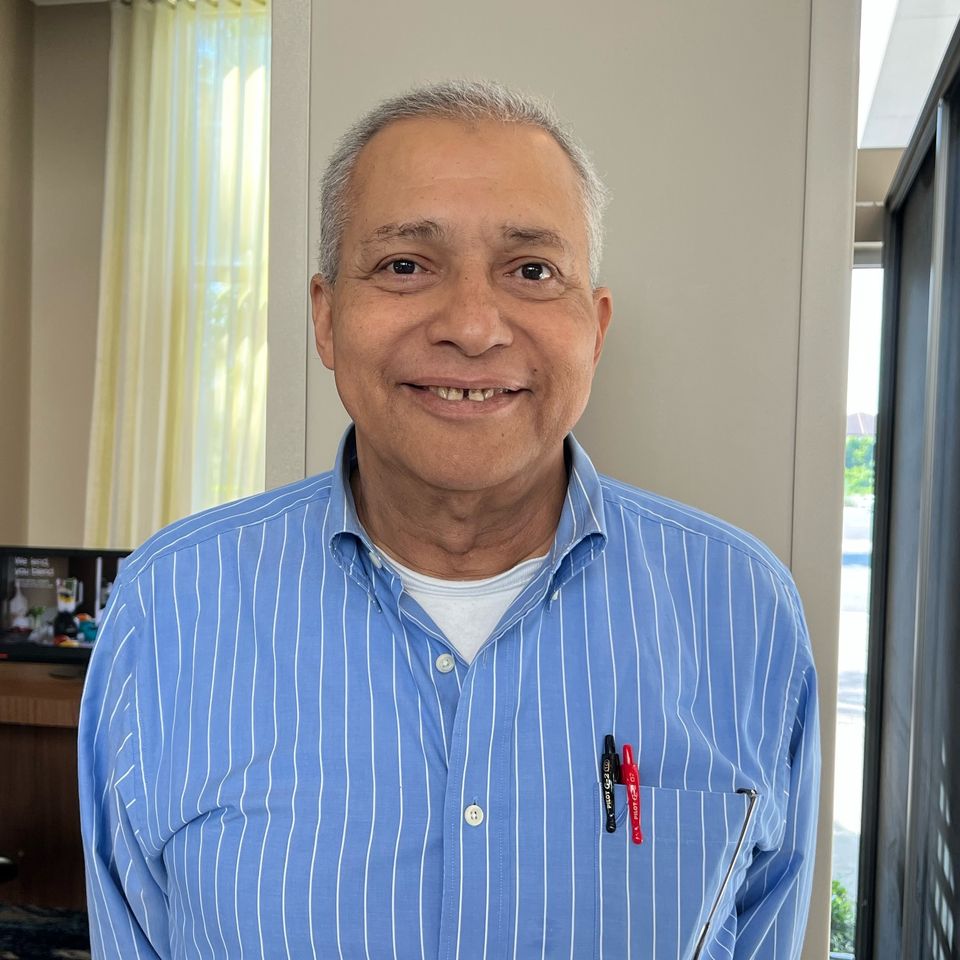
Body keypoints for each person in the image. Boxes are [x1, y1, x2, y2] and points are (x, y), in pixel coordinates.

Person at [79, 80, 819, 959]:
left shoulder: (742, 610)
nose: (471, 326)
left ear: (594, 329)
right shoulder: (171, 607)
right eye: (405, 265)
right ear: (326, 317)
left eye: (532, 271)